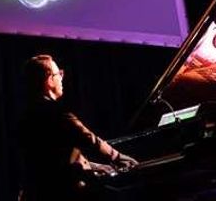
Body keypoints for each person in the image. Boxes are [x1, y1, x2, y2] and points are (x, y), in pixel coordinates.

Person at [18, 54, 139, 201]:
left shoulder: (28, 113)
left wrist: (96, 166)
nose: (61, 78)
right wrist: (122, 159)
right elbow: (89, 139)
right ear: (49, 80)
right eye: (59, 74)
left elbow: (56, 159)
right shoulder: (56, 113)